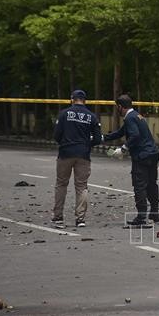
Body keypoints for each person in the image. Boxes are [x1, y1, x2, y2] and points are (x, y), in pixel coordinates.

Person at [105, 94, 159, 227]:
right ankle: (154, 213)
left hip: (142, 156)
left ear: (120, 106)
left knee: (139, 185)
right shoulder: (137, 116)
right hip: (153, 153)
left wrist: (123, 149)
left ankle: (141, 217)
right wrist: (102, 137)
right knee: (152, 184)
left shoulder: (129, 118)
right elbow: (120, 132)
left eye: (117, 107)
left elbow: (135, 135)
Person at [52, 89, 102, 229]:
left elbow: (56, 135)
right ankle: (80, 219)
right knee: (81, 186)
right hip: (83, 155)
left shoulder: (64, 114)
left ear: (72, 99)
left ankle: (58, 217)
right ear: (84, 100)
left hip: (65, 153)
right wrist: (86, 144)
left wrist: (64, 142)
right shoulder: (91, 116)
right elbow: (98, 139)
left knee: (61, 184)